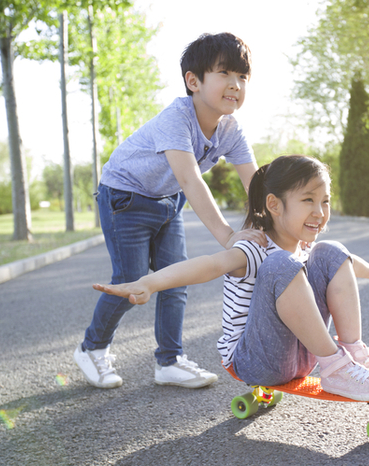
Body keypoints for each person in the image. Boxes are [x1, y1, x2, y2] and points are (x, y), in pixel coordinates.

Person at [94, 155, 369, 401]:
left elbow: (347, 262)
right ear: (274, 204)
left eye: (325, 201)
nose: (320, 211)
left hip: (301, 358)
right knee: (280, 264)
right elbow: (208, 265)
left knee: (331, 250)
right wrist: (149, 283)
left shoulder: (308, 246)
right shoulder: (255, 247)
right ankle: (336, 368)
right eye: (308, 200)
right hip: (252, 361)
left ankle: (353, 356)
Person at [74, 32, 266, 390]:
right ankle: (92, 348)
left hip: (167, 199)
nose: (235, 84)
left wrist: (277, 227)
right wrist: (229, 236)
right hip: (125, 197)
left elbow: (256, 186)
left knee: (176, 280)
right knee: (130, 278)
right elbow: (192, 181)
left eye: (243, 77)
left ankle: (169, 361)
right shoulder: (176, 119)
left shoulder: (231, 129)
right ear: (193, 81)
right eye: (225, 73)